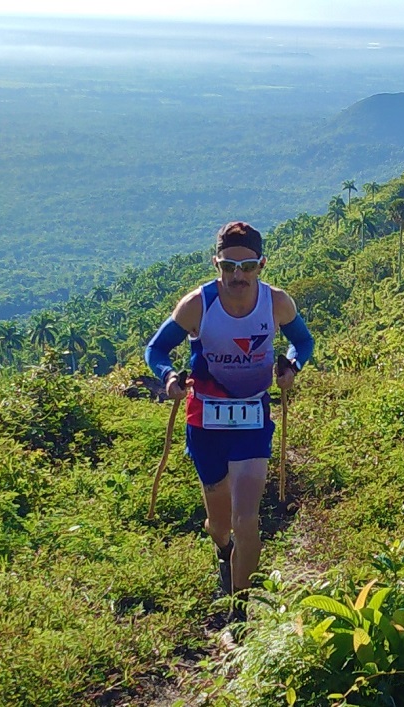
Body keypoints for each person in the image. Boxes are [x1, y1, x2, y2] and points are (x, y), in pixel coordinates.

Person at [145, 221, 314, 622]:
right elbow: (157, 349)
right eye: (228, 266)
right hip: (205, 422)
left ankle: (241, 612)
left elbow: (303, 341)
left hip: (253, 417)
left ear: (261, 265)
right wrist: (169, 377)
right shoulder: (197, 305)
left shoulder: (276, 303)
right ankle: (223, 552)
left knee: (246, 519)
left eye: (248, 266)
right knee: (220, 524)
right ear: (216, 263)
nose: (238, 276)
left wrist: (292, 364)